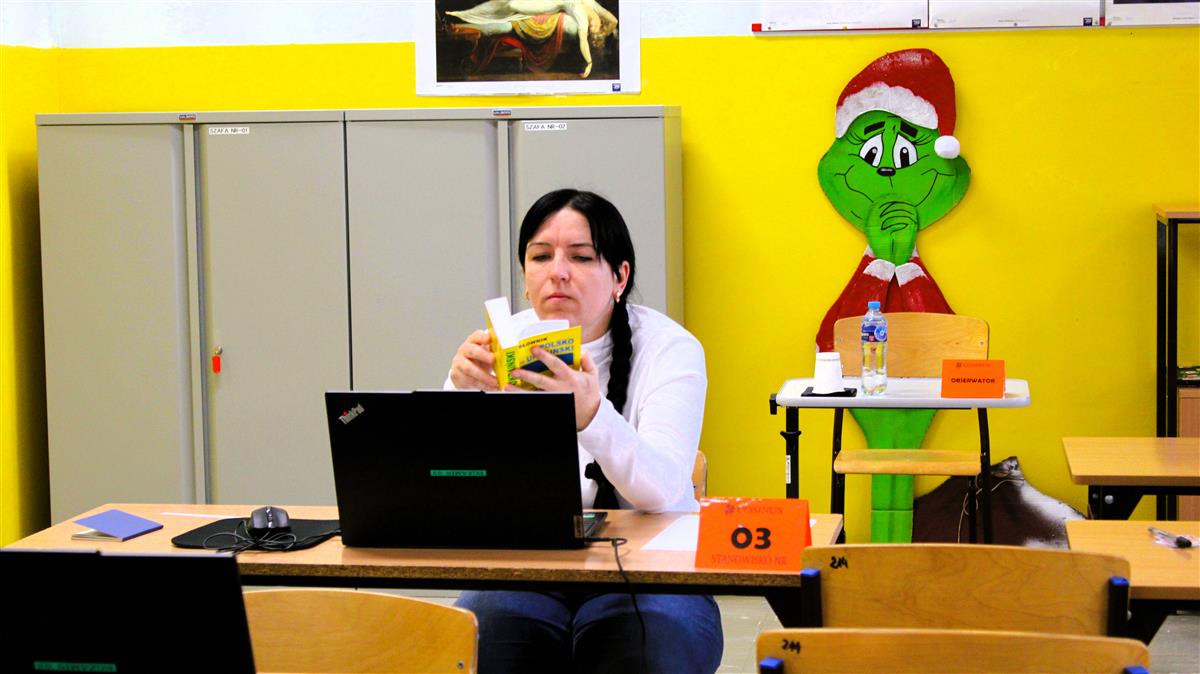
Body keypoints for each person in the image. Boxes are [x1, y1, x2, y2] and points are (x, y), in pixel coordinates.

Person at [447, 189, 722, 673]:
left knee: (642, 652)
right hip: (528, 565)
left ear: (620, 276)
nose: (557, 272)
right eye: (540, 256)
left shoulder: (670, 349)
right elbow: (448, 481)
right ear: (524, 276)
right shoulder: (501, 347)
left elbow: (662, 490)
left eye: (580, 257)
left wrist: (591, 415)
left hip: (651, 569)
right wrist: (458, 392)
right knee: (478, 646)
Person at [445, 0, 618, 77]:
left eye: (592, 30)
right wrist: (608, 29)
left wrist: (589, 62)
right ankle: (458, 18)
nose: (592, 27)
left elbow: (583, 40)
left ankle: (458, 22)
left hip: (536, 8)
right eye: (596, 26)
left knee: (506, 13)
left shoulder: (582, 18)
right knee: (502, 9)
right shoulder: (591, 4)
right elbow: (613, 20)